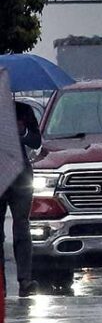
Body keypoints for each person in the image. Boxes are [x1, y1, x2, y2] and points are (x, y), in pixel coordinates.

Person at [0, 101, 41, 297]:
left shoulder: (23, 110)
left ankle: (25, 280)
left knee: (22, 227)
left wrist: (23, 132)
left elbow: (36, 141)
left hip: (20, 178)